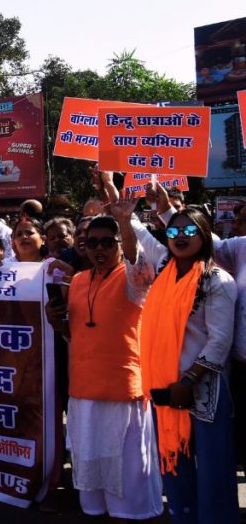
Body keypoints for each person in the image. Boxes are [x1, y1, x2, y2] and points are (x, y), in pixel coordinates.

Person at [111, 199, 238, 523]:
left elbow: (219, 340)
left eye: (190, 229)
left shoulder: (216, 281)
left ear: (205, 235)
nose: (181, 235)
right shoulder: (165, 266)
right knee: (175, 468)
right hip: (166, 389)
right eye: (174, 230)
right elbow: (141, 236)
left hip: (202, 390)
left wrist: (188, 382)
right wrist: (125, 217)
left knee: (213, 470)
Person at [44, 216, 163, 520]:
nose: (98, 248)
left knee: (128, 469)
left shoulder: (132, 280)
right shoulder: (79, 280)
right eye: (91, 242)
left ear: (119, 245)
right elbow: (73, 332)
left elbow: (140, 263)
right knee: (91, 462)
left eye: (107, 242)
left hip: (123, 390)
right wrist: (55, 319)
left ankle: (132, 514)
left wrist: (125, 221)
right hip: (84, 390)